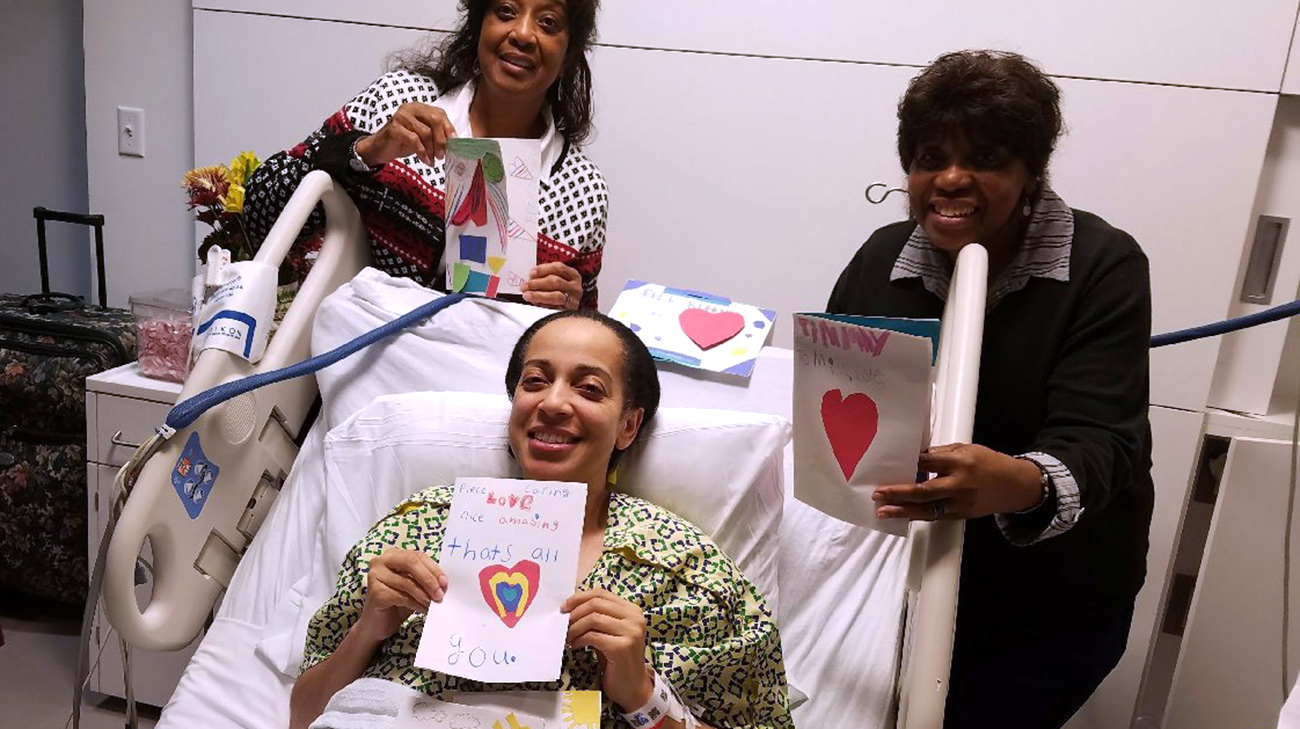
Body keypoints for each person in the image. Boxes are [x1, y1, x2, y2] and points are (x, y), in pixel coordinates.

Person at [827, 50, 1153, 729]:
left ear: (1030, 170)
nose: (950, 177)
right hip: (900, 586)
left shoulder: (1102, 265)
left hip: (1047, 608)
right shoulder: (878, 260)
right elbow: (835, 410)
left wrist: (1016, 483)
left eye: (985, 157)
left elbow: (1103, 442)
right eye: (928, 157)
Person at [289, 310, 794, 729]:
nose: (553, 402)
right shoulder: (417, 527)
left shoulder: (681, 566)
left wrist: (642, 693)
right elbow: (303, 717)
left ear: (628, 425)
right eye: (535, 381)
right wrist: (369, 629)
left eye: (589, 389)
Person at [244, 0, 608, 310]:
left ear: (570, 50)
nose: (524, 34)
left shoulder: (582, 191)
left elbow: (584, 345)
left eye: (548, 23)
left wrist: (569, 309)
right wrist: (365, 150)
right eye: (506, 10)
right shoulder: (396, 101)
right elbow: (259, 213)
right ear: (479, 23)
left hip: (479, 384)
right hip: (349, 362)